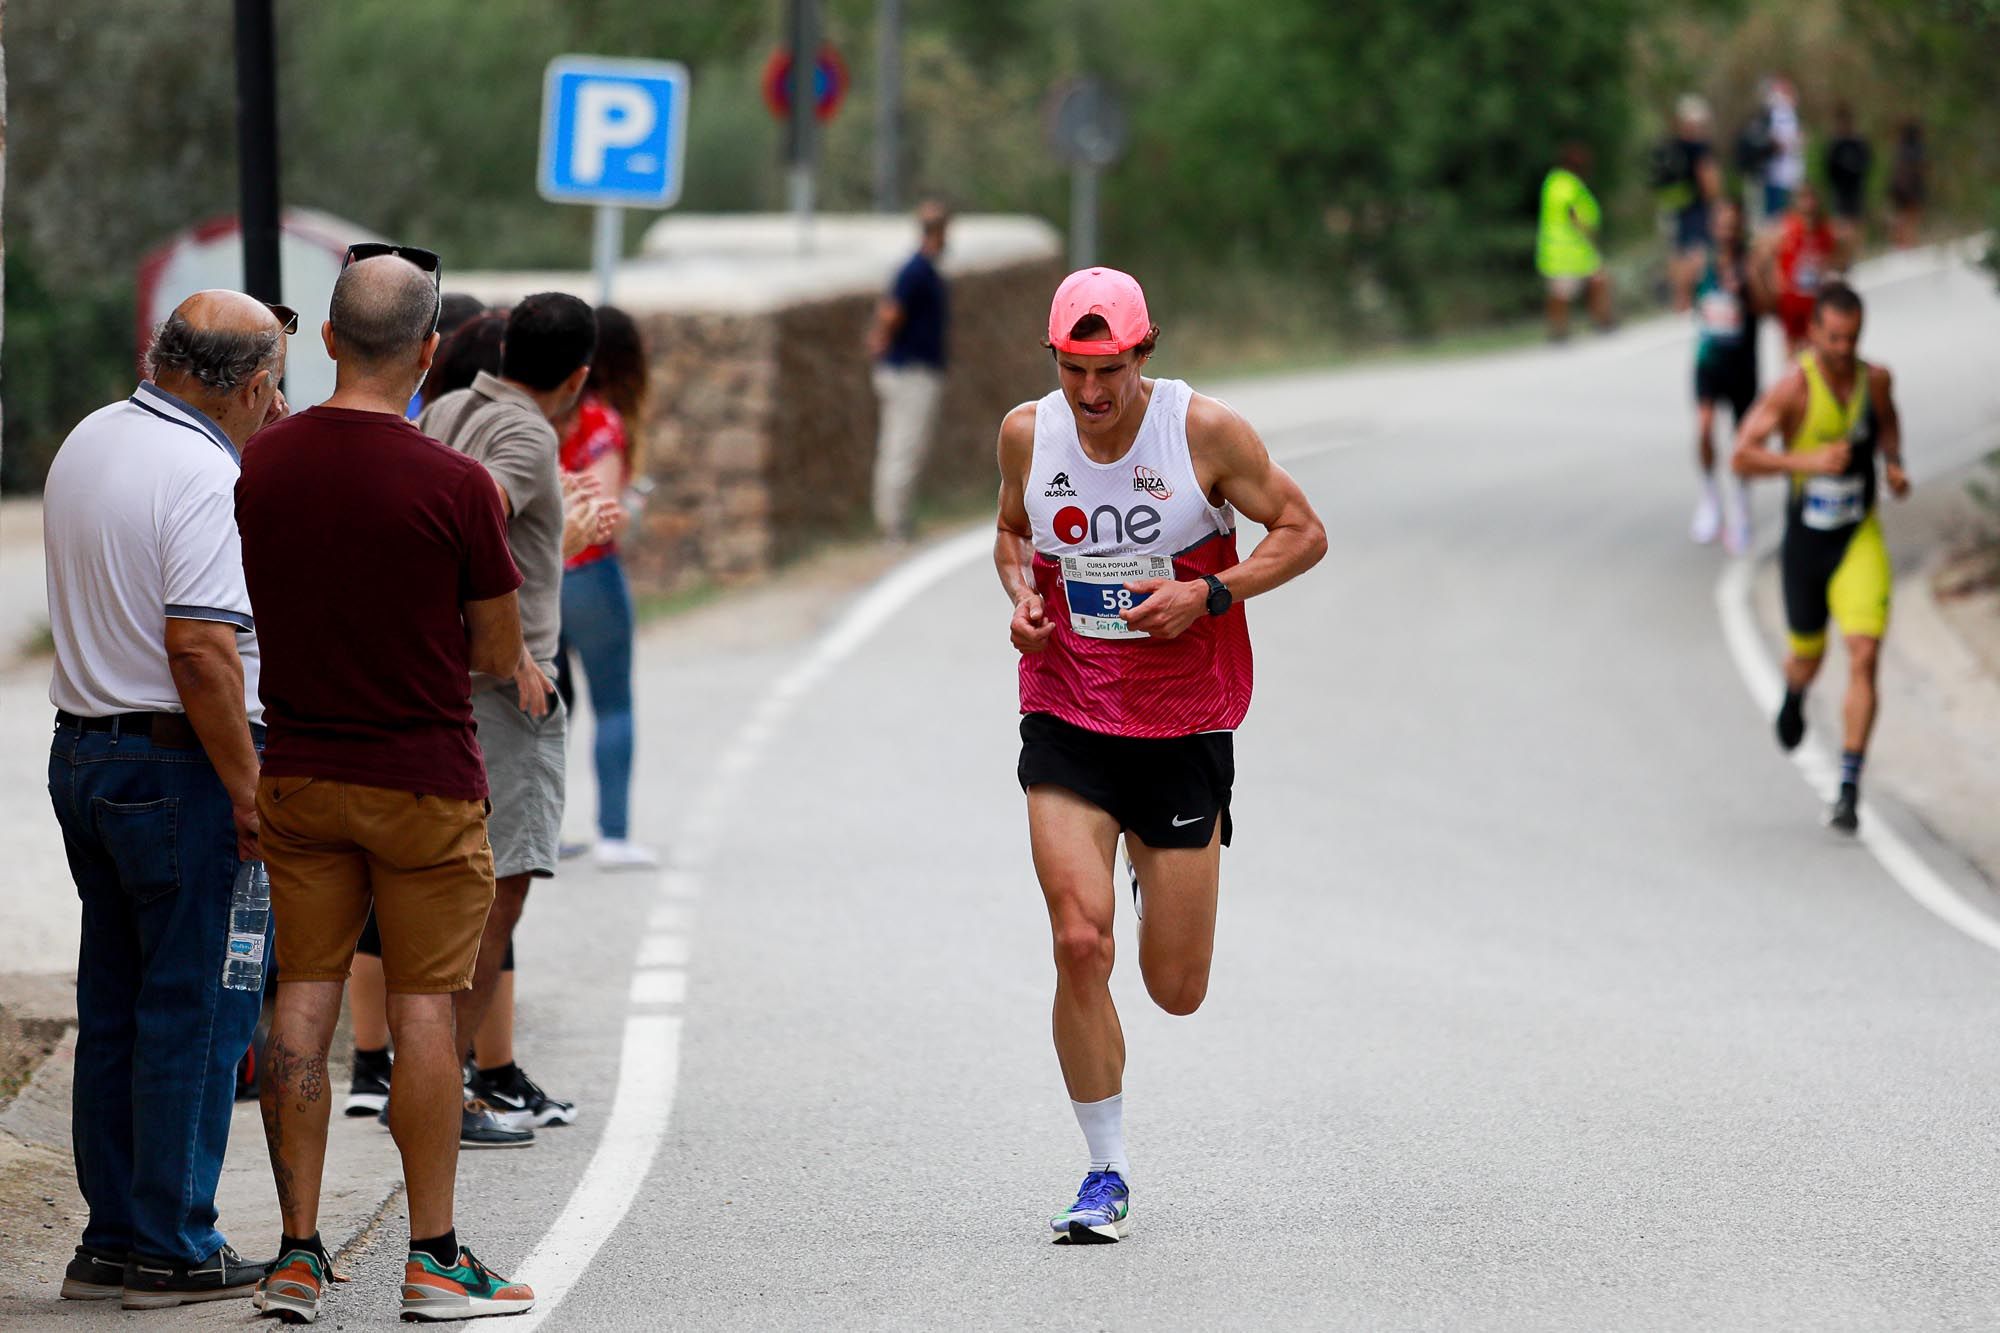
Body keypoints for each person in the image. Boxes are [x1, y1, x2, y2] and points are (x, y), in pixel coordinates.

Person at [995, 268, 1327, 1242]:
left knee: (1174, 989)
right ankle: (1104, 1171)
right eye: (1071, 370)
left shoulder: (1203, 434)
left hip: (1182, 722)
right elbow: (1012, 534)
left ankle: (1156, 860)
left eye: (1108, 370)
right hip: (1066, 709)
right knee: (1074, 939)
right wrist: (1019, 595)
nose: (1089, 394)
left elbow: (1302, 532)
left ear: (1144, 354)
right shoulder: (1027, 433)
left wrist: (1209, 593)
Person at [238, 245, 536, 1323]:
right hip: (422, 779)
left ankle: (297, 1253)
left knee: (304, 1004)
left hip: (302, 773)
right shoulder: (456, 485)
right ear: (426, 353)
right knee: (423, 1008)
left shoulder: (262, 464)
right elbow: (499, 650)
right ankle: (434, 1257)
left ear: (323, 340)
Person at [43, 291, 290, 1308]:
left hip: (88, 752)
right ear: (247, 383)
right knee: (198, 1006)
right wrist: (248, 786)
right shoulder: (200, 472)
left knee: (115, 1007)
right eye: (271, 383)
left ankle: (112, 1235)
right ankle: (174, 1239)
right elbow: (199, 647)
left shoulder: (95, 435)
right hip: (180, 768)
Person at [419, 292, 598, 1136]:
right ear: (578, 377)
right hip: (498, 694)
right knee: (499, 892)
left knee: (452, 892)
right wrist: (512, 648)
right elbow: (465, 517)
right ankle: (444, 1093)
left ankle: (438, 1082)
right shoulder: (527, 432)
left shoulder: (452, 404)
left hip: (439, 682)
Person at [1731, 283, 1908, 833]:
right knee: (1807, 656)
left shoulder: (1873, 379)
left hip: (1858, 537)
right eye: (1832, 338)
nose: (1841, 349)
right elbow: (1742, 455)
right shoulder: (1792, 390)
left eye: (1851, 339)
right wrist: (1804, 460)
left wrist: (1895, 463)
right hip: (1807, 543)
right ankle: (1795, 691)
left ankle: (1849, 787)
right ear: (1813, 333)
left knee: (1862, 654)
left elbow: (1888, 423)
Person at [556, 304, 658, 870]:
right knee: (613, 702)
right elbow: (606, 509)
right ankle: (613, 835)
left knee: (546, 708)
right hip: (591, 573)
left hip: (539, 578)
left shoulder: (536, 415)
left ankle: (539, 834)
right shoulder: (602, 423)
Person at [866, 200, 951, 540]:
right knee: (902, 444)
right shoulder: (916, 271)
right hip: (910, 371)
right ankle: (893, 521)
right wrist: (882, 340)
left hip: (916, 368)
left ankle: (897, 516)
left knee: (906, 445)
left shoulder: (924, 270)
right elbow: (892, 311)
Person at [1689, 199, 1766, 554]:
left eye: (1733, 224)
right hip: (1708, 360)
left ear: (1741, 227)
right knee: (1704, 427)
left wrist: (1747, 287)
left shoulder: (1751, 262)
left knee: (1742, 442)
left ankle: (1741, 509)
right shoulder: (1700, 262)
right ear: (1713, 227)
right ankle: (1709, 497)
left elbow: (1768, 305)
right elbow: (1687, 301)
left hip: (1742, 364)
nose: (1727, 230)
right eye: (1721, 223)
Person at [1757, 182, 1846, 358]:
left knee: (1818, 354)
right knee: (1793, 358)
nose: (1809, 203)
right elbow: (1761, 256)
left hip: (1816, 305)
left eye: (1811, 198)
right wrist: (1771, 287)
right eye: (1804, 198)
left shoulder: (1827, 231)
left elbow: (1840, 260)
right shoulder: (1786, 228)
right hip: (1791, 305)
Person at [1537, 144, 1612, 341]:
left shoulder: (1558, 182)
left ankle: (1599, 321)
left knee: (1596, 281)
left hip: (1573, 249)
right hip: (1566, 249)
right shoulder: (1564, 183)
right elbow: (1574, 214)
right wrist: (1588, 234)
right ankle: (1561, 331)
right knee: (1563, 292)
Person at [1656, 95, 1722, 311]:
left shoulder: (1671, 146)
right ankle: (1691, 298)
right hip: (1696, 207)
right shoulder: (1699, 147)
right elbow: (1708, 178)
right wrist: (1716, 203)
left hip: (1671, 205)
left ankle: (1680, 300)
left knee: (1677, 252)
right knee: (1696, 253)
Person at [1824, 102, 1873, 252]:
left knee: (1857, 222)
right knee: (1841, 225)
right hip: (1840, 189)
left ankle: (1858, 251)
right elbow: (1828, 167)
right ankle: (1845, 253)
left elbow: (1867, 161)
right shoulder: (1835, 144)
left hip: (1856, 188)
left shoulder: (1858, 142)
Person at [1762, 78, 1806, 219]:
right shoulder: (1775, 113)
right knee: (1776, 215)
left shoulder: (1792, 114)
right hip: (1776, 174)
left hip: (1793, 174)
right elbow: (1773, 140)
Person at [1888, 118, 1927, 249]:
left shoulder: (1901, 148)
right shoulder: (1915, 148)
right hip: (1910, 188)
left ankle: (1905, 242)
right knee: (1909, 217)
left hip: (1902, 188)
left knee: (1905, 217)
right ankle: (1906, 243)